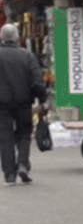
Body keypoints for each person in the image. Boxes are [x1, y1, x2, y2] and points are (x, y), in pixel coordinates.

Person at [0, 22, 44, 186]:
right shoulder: (27, 56)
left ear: (1, 37)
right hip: (24, 102)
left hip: (2, 105)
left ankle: (9, 174)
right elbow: (37, 82)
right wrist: (43, 100)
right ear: (17, 37)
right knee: (24, 134)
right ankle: (23, 165)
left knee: (5, 137)